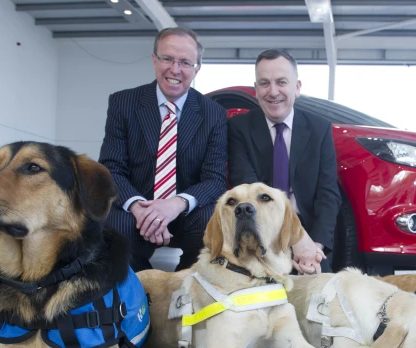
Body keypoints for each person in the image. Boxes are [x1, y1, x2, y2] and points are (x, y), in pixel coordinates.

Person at [98, 27, 227, 272]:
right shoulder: (122, 103)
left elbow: (215, 179)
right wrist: (138, 206)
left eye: (185, 62)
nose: (175, 69)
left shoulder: (213, 113)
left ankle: (185, 288)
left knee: (211, 219)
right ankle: (134, 295)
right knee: (115, 224)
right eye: (167, 58)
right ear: (154, 60)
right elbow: (111, 167)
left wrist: (174, 204)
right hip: (138, 208)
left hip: (186, 211)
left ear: (197, 68)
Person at [227, 49, 340, 275]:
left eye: (281, 82)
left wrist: (314, 248)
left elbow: (328, 195)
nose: (273, 91)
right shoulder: (238, 128)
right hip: (259, 229)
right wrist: (295, 237)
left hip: (310, 235)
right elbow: (249, 191)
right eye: (264, 83)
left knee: (323, 296)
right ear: (256, 89)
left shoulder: (319, 129)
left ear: (297, 87)